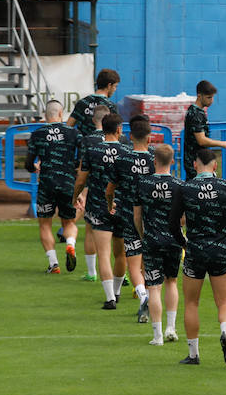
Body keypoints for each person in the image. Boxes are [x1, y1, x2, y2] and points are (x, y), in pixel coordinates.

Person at [170, 147, 226, 366]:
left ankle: (194, 354)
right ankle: (225, 332)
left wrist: (184, 242)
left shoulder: (186, 188)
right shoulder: (225, 186)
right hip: (220, 248)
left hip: (195, 249)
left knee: (191, 303)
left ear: (195, 165)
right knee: (224, 302)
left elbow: (172, 223)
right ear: (215, 166)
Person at [72, 112, 124, 309]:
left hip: (98, 205)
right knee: (121, 254)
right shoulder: (127, 151)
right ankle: (118, 291)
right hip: (121, 206)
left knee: (103, 253)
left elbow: (81, 179)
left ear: (102, 127)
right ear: (119, 129)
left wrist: (76, 195)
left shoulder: (93, 150)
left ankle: (110, 298)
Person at [106, 114, 155, 323]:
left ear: (129, 137)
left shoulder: (123, 159)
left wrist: (110, 205)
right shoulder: (155, 158)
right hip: (152, 216)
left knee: (132, 264)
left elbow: (110, 190)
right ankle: (151, 300)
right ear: (150, 138)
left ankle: (143, 297)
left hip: (127, 215)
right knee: (151, 263)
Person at [24, 100, 83, 274]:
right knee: (69, 222)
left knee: (45, 224)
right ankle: (70, 245)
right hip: (67, 183)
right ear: (61, 113)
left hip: (46, 185)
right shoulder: (73, 133)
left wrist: (35, 167)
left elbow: (28, 164)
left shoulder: (37, 134)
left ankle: (53, 263)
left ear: (45, 115)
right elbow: (82, 158)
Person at [134, 144, 183, 346]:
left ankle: (158, 335)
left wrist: (142, 234)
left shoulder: (143, 183)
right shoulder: (179, 185)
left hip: (152, 239)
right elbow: (184, 218)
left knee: (154, 287)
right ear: (172, 161)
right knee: (172, 281)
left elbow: (137, 216)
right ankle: (171, 327)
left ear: (154, 161)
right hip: (173, 239)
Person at [74, 101, 112, 281]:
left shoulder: (88, 140)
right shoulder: (120, 139)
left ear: (93, 119)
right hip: (117, 193)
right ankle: (123, 274)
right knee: (121, 236)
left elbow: (82, 170)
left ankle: (92, 273)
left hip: (95, 191)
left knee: (90, 229)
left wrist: (79, 193)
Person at [181, 79, 226, 182]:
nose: (212, 100)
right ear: (199, 96)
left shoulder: (198, 112)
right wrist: (223, 144)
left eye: (213, 97)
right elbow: (201, 140)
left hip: (200, 159)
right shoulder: (195, 114)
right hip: (195, 161)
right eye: (209, 97)